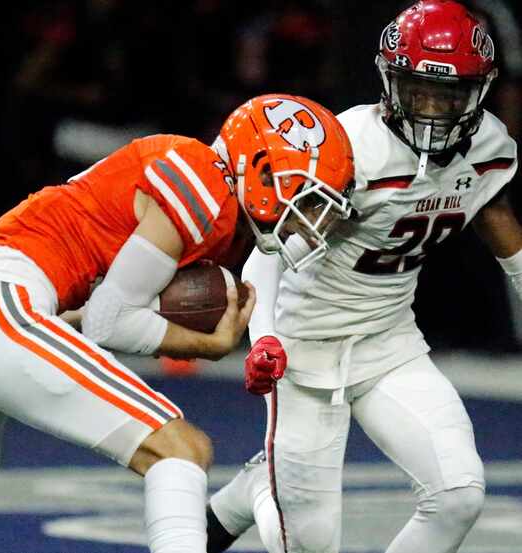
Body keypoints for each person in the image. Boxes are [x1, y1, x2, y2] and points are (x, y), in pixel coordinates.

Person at [0, 93, 355, 553]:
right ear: (265, 172)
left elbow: (84, 315)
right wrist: (205, 345)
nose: (310, 217)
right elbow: (109, 323)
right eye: (310, 198)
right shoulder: (204, 183)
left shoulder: (199, 180)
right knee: (180, 449)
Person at [205, 2, 521, 553]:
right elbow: (272, 248)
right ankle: (259, 487)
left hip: (389, 341)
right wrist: (267, 338)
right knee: (310, 545)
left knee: (458, 495)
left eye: (449, 95)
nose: (431, 109)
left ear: (479, 91)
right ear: (388, 80)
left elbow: (496, 216)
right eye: (418, 90)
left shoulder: (488, 144)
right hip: (303, 349)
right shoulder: (349, 147)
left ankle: (265, 479)